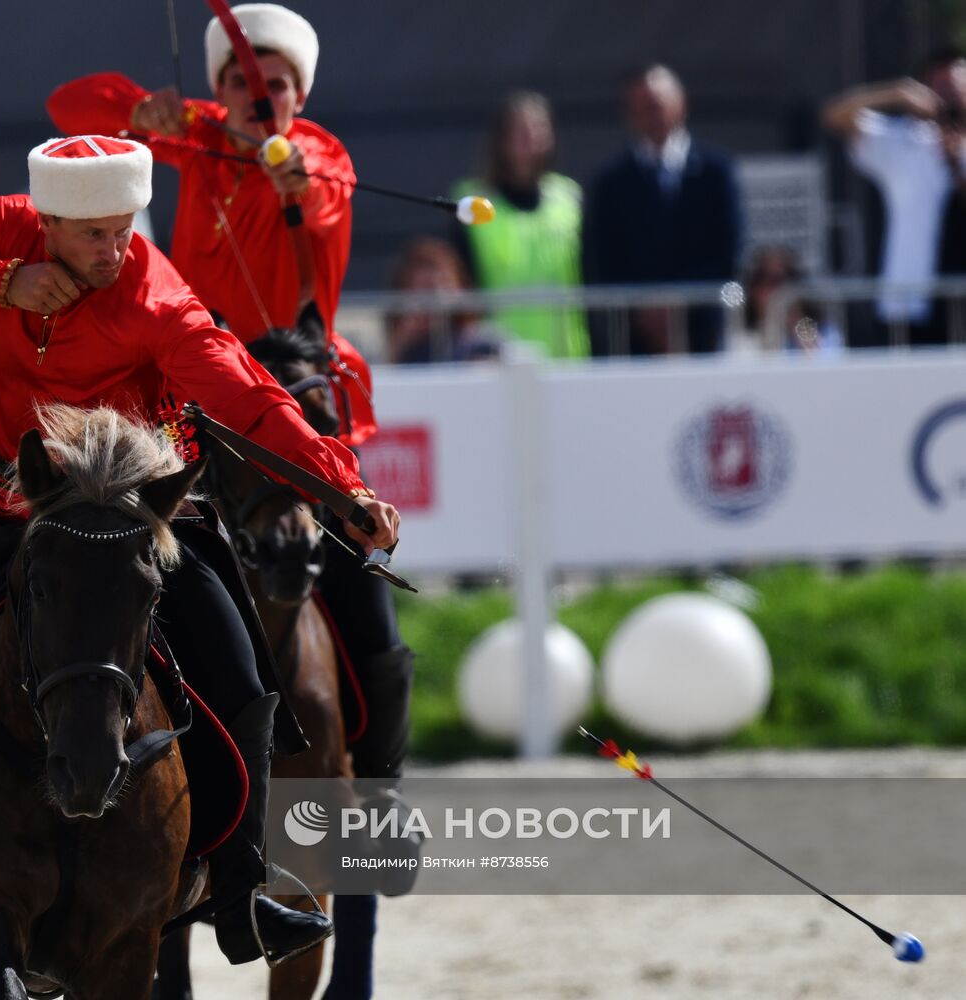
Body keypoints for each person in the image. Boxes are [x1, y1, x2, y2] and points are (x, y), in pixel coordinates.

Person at [0, 134, 402, 967]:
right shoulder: (4, 232)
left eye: (125, 228)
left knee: (239, 673)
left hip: (125, 517)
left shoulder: (154, 293)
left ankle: (243, 888)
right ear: (45, 219)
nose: (115, 248)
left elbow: (248, 394)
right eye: (93, 234)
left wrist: (340, 486)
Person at [47, 1, 416, 832]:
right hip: (199, 385)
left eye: (279, 83)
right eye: (246, 81)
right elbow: (69, 111)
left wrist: (289, 177)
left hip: (292, 381)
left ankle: (383, 793)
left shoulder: (318, 152)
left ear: (297, 94)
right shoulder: (198, 135)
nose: (263, 94)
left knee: (371, 620)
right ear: (219, 88)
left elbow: (317, 194)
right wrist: (139, 113)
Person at [585, 64, 743, 355]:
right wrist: (646, 307)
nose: (651, 116)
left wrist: (678, 301)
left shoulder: (717, 171)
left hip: (704, 328)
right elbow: (603, 258)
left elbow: (729, 251)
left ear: (681, 103)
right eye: (642, 108)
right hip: (635, 335)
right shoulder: (610, 183)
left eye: (657, 105)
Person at [823, 47, 966, 346]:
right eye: (940, 88)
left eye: (955, 87)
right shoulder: (905, 141)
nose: (949, 97)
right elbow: (835, 115)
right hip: (912, 305)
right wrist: (895, 93)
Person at [452, 90, 587, 358]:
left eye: (539, 128)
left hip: (566, 356)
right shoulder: (473, 201)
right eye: (521, 130)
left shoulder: (569, 197)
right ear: (501, 139)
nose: (531, 138)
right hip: (498, 357)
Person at [385, 236, 500, 364]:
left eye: (445, 284)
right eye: (426, 288)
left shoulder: (483, 342)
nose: (436, 298)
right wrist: (402, 340)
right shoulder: (391, 342)